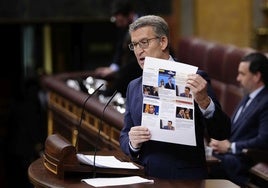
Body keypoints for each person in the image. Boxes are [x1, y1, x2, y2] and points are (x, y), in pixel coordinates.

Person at [119, 15, 231, 179]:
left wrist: (204, 102)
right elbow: (125, 134)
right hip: (145, 177)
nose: (138, 51)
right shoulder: (133, 86)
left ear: (163, 42)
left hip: (184, 179)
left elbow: (222, 132)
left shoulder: (193, 78)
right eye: (134, 45)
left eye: (144, 43)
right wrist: (133, 143)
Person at [208, 52, 268, 186]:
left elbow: (264, 141)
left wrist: (231, 147)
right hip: (228, 155)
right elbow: (233, 128)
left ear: (257, 76)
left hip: (243, 160)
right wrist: (220, 139)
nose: (238, 78)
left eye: (242, 74)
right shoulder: (248, 95)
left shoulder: (266, 101)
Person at [94, 0, 142, 97]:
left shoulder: (145, 26)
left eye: (120, 20)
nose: (118, 24)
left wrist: (118, 72)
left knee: (130, 69)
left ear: (130, 14)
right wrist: (113, 68)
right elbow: (120, 48)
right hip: (128, 69)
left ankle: (110, 94)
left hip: (140, 68)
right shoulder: (124, 26)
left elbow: (135, 61)